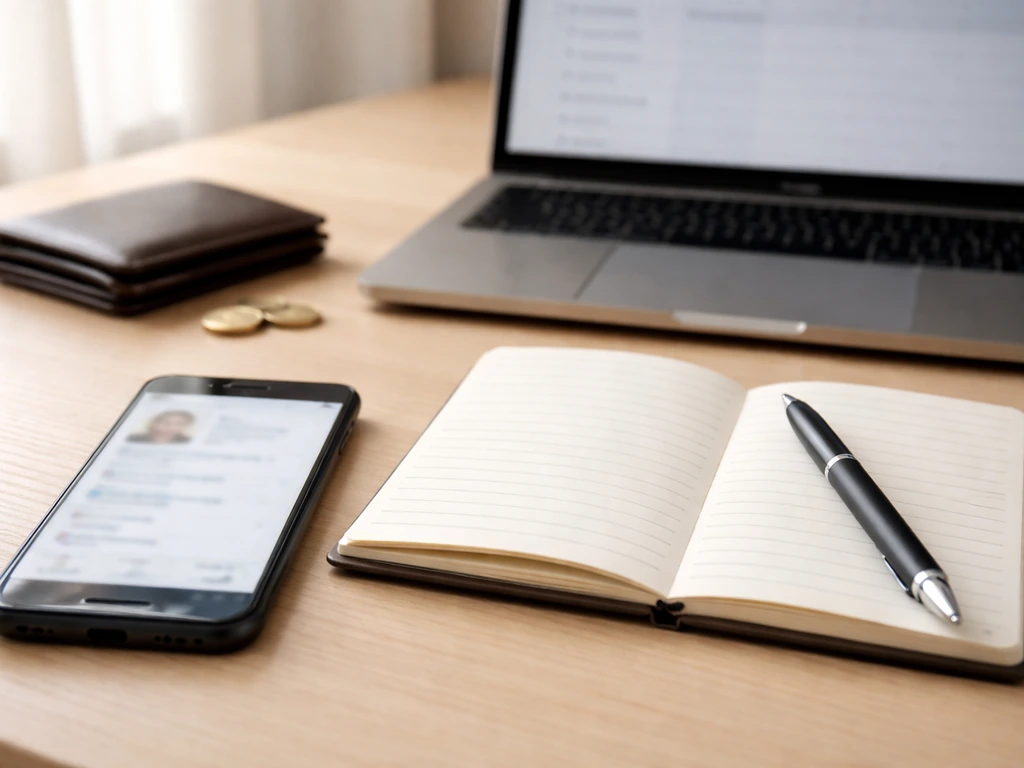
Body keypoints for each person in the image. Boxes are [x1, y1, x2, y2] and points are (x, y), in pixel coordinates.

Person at [128, 410, 195, 444]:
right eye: (165, 422)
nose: (171, 427)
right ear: (153, 423)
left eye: (179, 424)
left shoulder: (188, 441)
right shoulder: (132, 439)